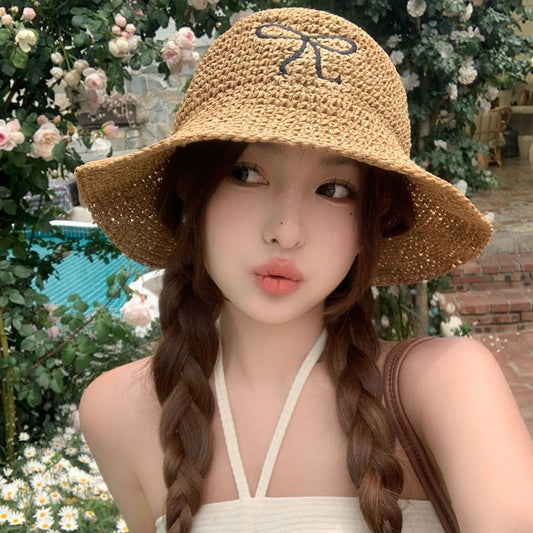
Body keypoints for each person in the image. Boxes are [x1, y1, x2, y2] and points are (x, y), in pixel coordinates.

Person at [76, 7, 533, 533]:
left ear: (374, 218)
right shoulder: (115, 411)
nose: (286, 231)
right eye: (246, 173)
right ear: (189, 190)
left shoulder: (445, 387)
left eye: (334, 189)